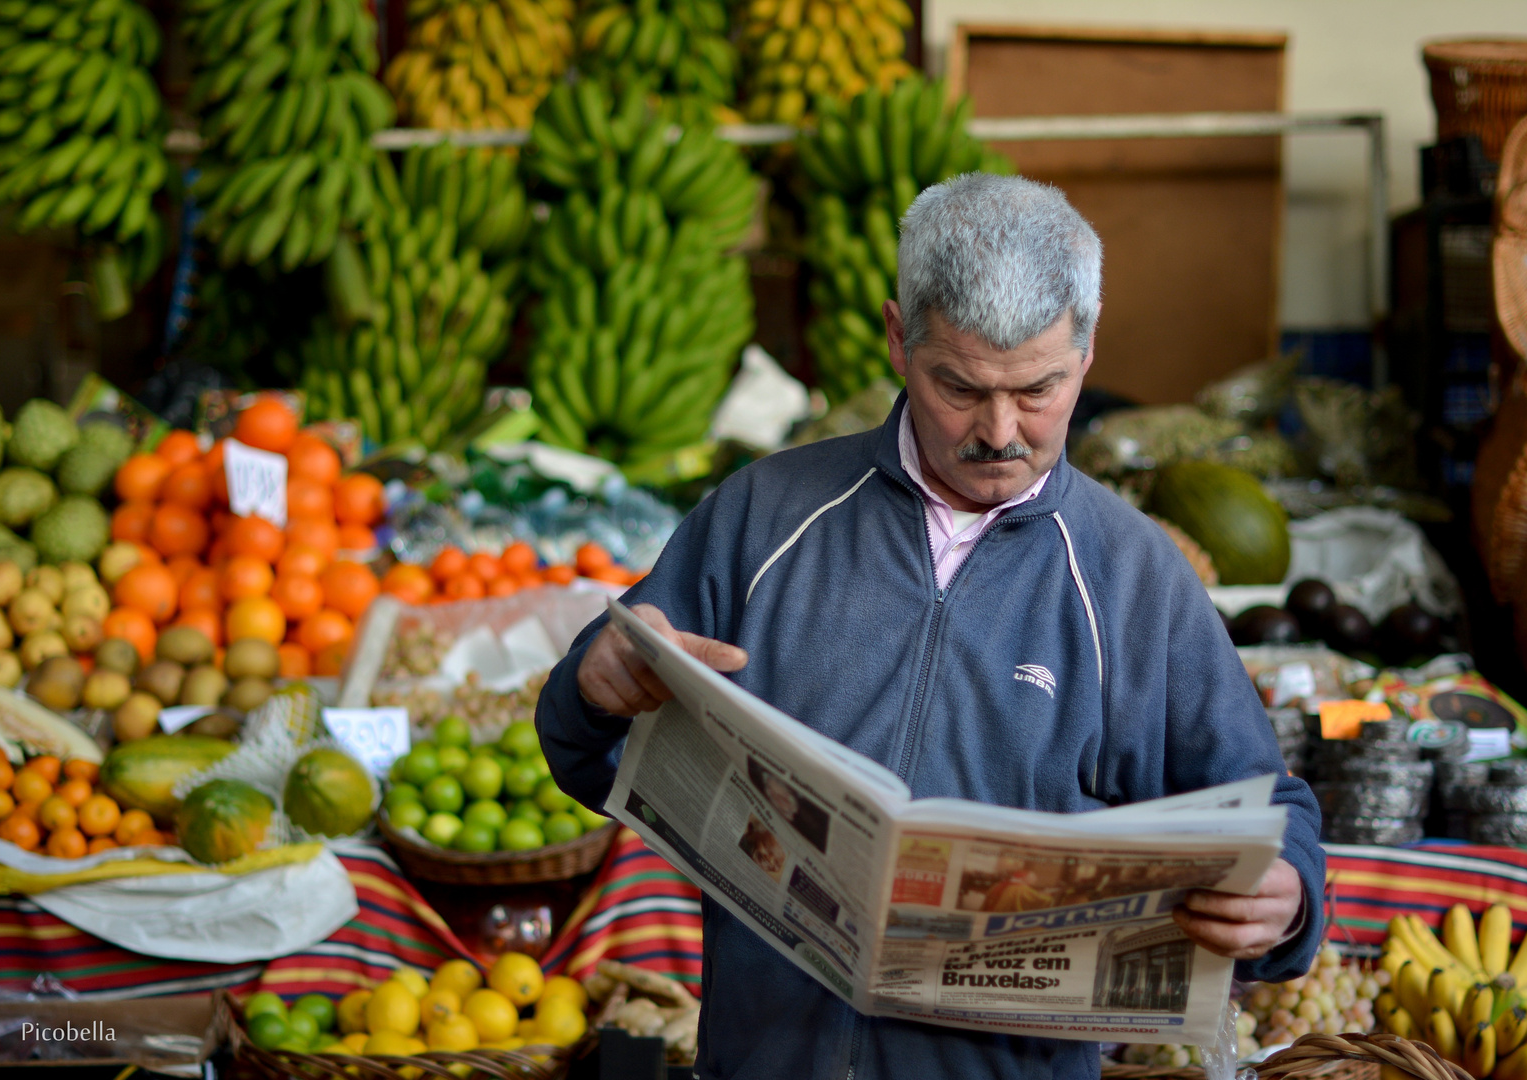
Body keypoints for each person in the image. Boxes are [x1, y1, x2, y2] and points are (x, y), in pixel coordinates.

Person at [537, 173, 1323, 1079]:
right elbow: (589, 752)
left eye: (1038, 390)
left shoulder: (1134, 578)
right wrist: (589, 691)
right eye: (958, 386)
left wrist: (1288, 895)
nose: (998, 431)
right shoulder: (762, 517)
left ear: (1087, 351)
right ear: (895, 338)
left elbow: (1267, 808)